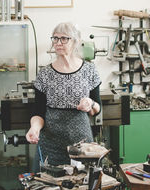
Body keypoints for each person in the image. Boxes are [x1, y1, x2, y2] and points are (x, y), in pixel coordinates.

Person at [26, 22, 101, 167]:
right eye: (55, 38)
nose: (58, 43)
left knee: (83, 183)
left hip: (81, 141)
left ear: (76, 41)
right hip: (50, 141)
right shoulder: (45, 73)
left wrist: (90, 103)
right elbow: (38, 111)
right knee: (48, 182)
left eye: (64, 38)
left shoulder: (89, 70)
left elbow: (97, 109)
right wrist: (34, 128)